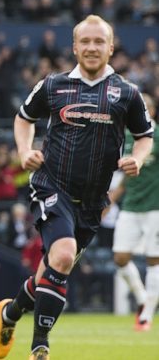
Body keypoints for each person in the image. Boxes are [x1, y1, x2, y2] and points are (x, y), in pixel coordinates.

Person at [0, 15, 154, 360]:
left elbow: (144, 137)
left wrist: (138, 159)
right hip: (52, 186)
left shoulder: (127, 93)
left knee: (50, 272)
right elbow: (24, 117)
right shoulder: (53, 85)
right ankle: (40, 348)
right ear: (75, 47)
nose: (92, 48)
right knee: (63, 255)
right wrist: (24, 150)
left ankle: (10, 314)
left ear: (111, 47)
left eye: (99, 42)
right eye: (86, 41)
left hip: (94, 202)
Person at [110, 93, 159, 332]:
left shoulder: (157, 136)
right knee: (120, 257)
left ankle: (146, 316)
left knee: (154, 259)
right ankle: (142, 300)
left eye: (144, 108)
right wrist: (111, 200)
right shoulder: (128, 136)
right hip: (130, 205)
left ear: (151, 110)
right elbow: (125, 178)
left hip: (155, 207)